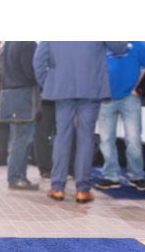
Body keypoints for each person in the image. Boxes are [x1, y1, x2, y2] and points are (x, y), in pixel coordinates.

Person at [34, 41, 128, 204]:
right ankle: (83, 190)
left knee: (62, 136)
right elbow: (120, 47)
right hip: (91, 86)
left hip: (62, 87)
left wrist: (49, 83)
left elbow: (38, 61)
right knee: (86, 137)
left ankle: (57, 187)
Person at [95, 41, 145, 192]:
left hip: (130, 97)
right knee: (106, 139)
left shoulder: (139, 43)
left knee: (133, 138)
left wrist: (138, 88)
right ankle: (111, 176)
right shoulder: (101, 43)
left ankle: (136, 176)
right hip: (105, 97)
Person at [2, 41, 40, 191]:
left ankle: (19, 176)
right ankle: (16, 177)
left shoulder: (9, 43)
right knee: (23, 138)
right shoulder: (28, 43)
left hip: (14, 93)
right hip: (25, 94)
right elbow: (31, 72)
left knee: (21, 137)